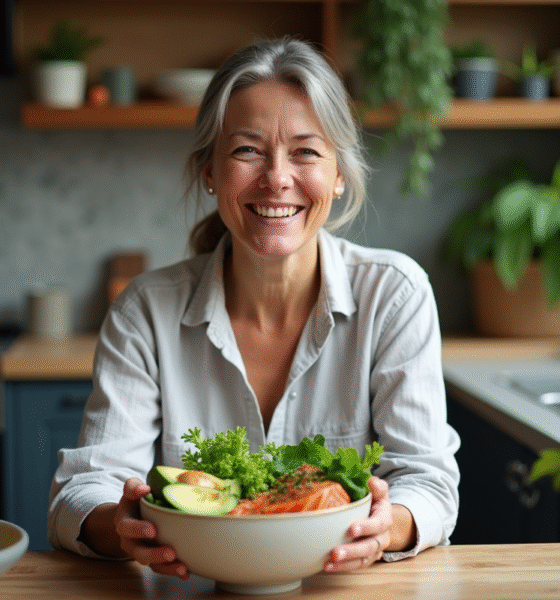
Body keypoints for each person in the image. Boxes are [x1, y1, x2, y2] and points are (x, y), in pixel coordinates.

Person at [48, 37, 460, 578]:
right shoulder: (146, 311)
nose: (277, 178)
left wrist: (390, 525)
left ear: (338, 175)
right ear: (210, 171)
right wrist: (121, 526)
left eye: (306, 151)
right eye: (247, 150)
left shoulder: (395, 294)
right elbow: (81, 492)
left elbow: (427, 482)